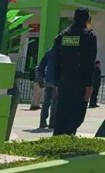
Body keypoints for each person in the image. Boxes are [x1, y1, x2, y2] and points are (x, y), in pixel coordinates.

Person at [52, 7, 97, 136]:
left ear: (73, 18)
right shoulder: (89, 35)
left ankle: (57, 140)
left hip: (63, 81)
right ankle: (67, 141)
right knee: (76, 115)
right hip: (80, 83)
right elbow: (90, 62)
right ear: (88, 19)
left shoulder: (62, 35)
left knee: (62, 113)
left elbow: (56, 60)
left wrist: (57, 82)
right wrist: (89, 84)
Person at [37, 45, 58, 129]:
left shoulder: (49, 53)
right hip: (56, 81)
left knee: (46, 102)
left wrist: (42, 76)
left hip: (48, 80)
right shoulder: (61, 53)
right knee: (55, 103)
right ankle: (52, 123)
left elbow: (41, 66)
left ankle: (42, 122)